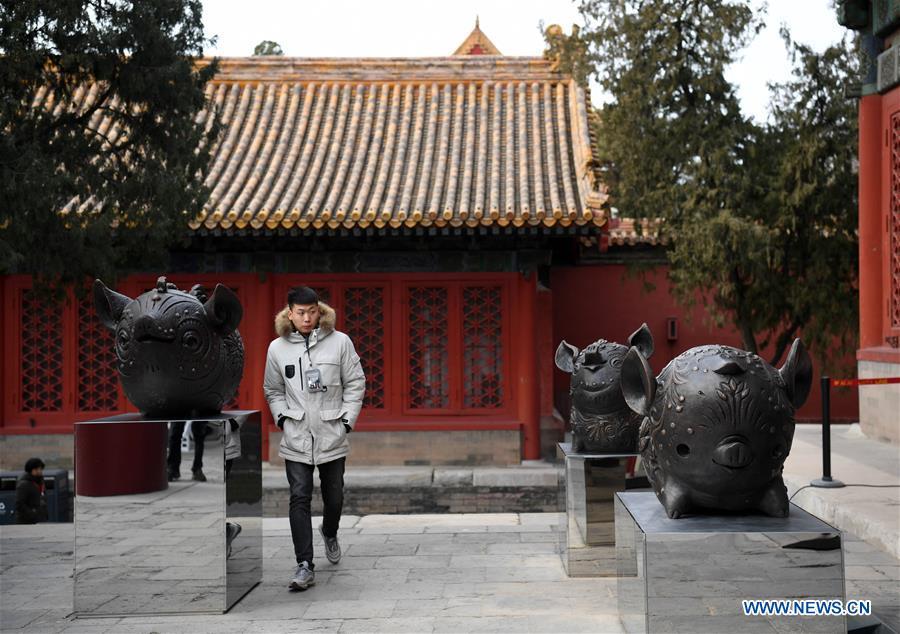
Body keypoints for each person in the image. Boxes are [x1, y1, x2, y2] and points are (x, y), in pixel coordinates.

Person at [264, 286, 365, 591]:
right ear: (290, 313)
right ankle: (304, 564)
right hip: (296, 435)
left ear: (320, 311)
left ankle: (330, 531)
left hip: (331, 431)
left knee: (334, 496)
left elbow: (356, 382)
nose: (306, 318)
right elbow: (272, 389)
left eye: (312, 311)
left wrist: (346, 421)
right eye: (300, 312)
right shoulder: (277, 348)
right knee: (299, 496)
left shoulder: (340, 343)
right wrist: (282, 417)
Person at [15, 458, 48, 524]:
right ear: (33, 470)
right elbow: (19, 504)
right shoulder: (24, 484)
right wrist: (33, 514)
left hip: (40, 520)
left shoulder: (40, 482)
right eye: (39, 469)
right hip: (27, 523)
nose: (41, 471)